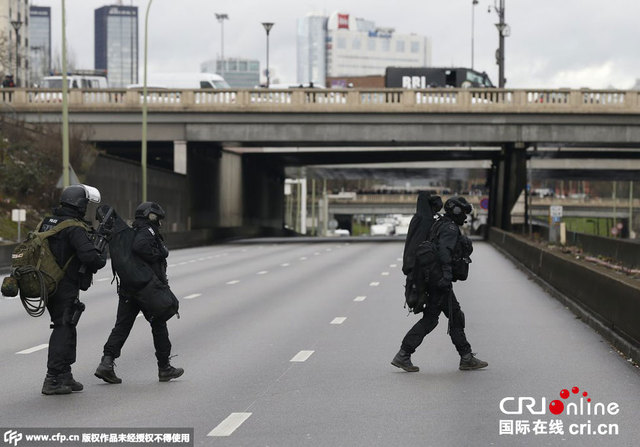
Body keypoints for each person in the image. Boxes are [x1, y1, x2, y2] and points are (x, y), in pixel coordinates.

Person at [392, 196, 488, 372]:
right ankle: (404, 354)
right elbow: (444, 252)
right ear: (456, 211)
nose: (465, 217)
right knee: (440, 318)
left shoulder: (440, 224)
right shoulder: (450, 228)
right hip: (439, 281)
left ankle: (465, 356)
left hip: (434, 279)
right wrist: (446, 275)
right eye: (463, 213)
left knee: (450, 316)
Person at [95, 201, 183, 384]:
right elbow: (141, 247)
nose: (159, 222)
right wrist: (160, 253)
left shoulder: (130, 231)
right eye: (158, 218)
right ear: (151, 216)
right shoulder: (147, 231)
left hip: (129, 289)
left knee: (122, 326)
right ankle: (164, 368)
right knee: (159, 325)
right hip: (147, 290)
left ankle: (106, 362)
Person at [41, 184, 107, 395]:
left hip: (47, 282)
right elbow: (90, 257)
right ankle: (52, 379)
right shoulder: (73, 227)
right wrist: (100, 256)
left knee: (68, 325)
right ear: (79, 205)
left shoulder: (48, 222)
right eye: (85, 204)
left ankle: (65, 375)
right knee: (63, 326)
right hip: (64, 285)